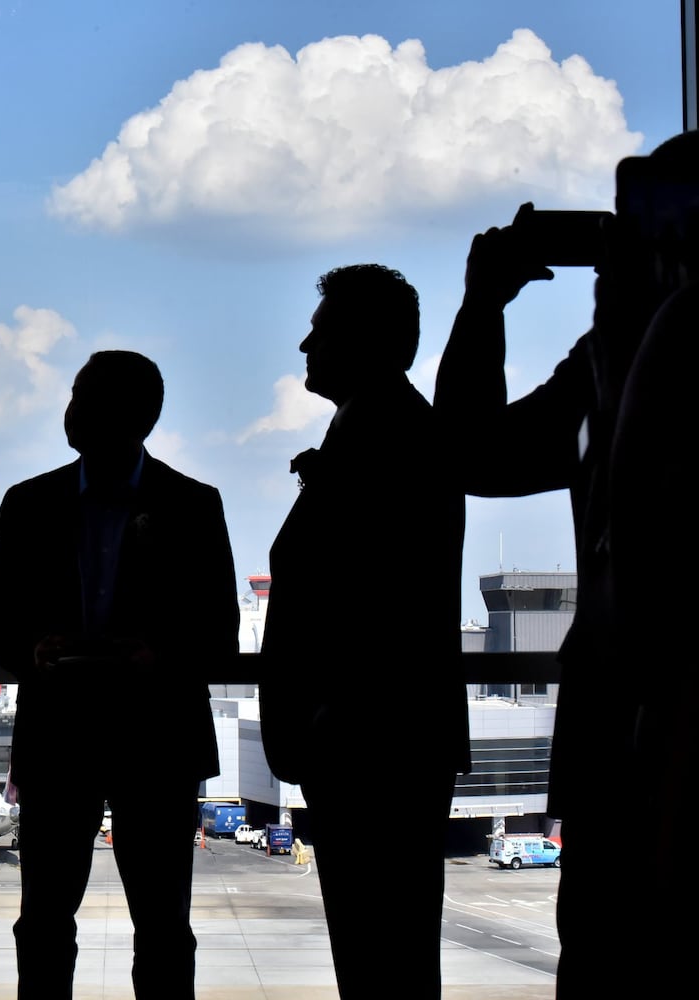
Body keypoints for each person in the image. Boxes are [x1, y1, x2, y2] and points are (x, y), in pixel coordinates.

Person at [436, 130, 696, 996]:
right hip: (619, 719)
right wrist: (488, 310)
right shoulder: (604, 364)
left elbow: (473, 455)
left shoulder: (622, 359)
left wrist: (486, 306)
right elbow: (473, 455)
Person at [0, 350, 239, 999]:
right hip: (63, 741)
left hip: (154, 745)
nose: (68, 410)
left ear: (134, 418)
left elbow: (221, 634)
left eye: (82, 397)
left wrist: (158, 657)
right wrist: (33, 648)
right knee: (43, 922)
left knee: (162, 928)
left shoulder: (193, 505)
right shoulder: (28, 502)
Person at [259, 264, 467, 999]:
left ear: (366, 340)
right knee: (386, 949)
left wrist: (329, 712)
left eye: (323, 327)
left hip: (372, 742)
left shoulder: (389, 433)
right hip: (372, 739)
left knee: (383, 950)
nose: (305, 341)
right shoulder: (373, 427)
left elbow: (380, 597)